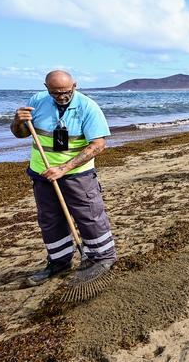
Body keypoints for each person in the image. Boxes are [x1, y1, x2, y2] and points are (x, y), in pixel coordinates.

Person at [10, 70, 116, 286]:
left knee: (89, 216)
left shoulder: (88, 107)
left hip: (78, 174)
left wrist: (64, 168)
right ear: (46, 87)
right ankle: (58, 262)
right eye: (55, 93)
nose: (61, 96)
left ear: (75, 85)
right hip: (42, 174)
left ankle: (102, 259)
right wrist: (17, 121)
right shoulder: (37, 102)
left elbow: (98, 145)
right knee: (50, 220)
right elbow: (20, 133)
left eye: (66, 92)